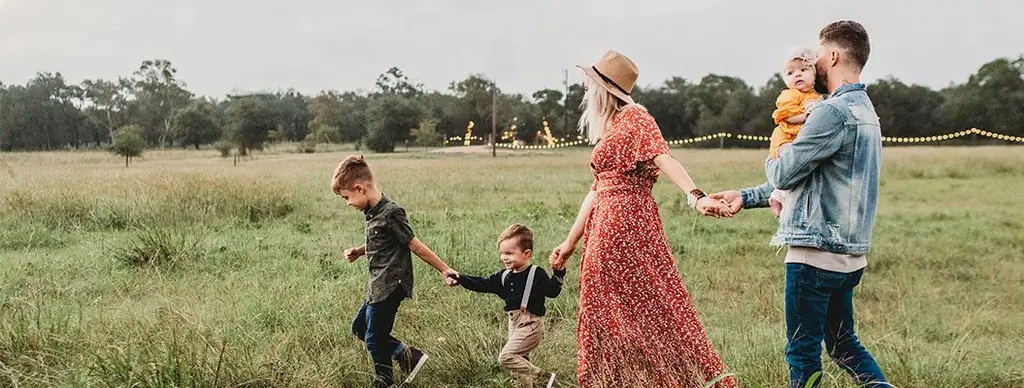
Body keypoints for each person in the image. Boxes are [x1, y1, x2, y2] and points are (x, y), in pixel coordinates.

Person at [709, 20, 888, 388]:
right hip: (850, 255)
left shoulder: (830, 112)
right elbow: (810, 178)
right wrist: (745, 197)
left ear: (834, 56)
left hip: (814, 255)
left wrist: (776, 148)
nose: (813, 63)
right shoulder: (867, 112)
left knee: (802, 353)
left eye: (818, 56)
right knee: (843, 346)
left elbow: (784, 175)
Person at [547, 50, 737, 388]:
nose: (585, 91)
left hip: (626, 221)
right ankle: (619, 380)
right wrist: (570, 242)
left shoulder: (636, 118)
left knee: (649, 306)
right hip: (604, 221)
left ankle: (661, 378)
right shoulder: (611, 125)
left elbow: (664, 159)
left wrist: (697, 197)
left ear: (604, 88)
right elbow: (596, 189)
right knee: (610, 309)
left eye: (590, 84)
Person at [331, 155, 459, 388]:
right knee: (359, 328)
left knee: (374, 338)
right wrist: (359, 251)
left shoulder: (391, 212)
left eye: (346, 197)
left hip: (391, 284)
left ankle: (384, 382)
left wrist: (444, 269)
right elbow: (381, 244)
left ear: (359, 188)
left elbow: (414, 245)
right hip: (377, 284)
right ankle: (408, 356)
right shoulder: (372, 212)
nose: (347, 203)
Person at [448, 223, 564, 388]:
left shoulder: (536, 273)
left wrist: (559, 273)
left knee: (507, 357)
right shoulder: (504, 276)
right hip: (514, 324)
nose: (504, 257)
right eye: (502, 253)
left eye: (509, 253)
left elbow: (552, 291)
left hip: (531, 324)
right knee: (520, 362)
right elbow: (482, 283)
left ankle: (543, 378)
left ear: (527, 254)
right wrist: (460, 278)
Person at [768, 47, 825, 218]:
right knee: (791, 160)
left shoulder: (817, 97)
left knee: (801, 166)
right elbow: (786, 115)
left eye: (803, 70)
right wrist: (805, 117)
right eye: (791, 73)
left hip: (800, 138)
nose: (797, 75)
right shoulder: (789, 95)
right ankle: (780, 196)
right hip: (786, 137)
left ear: (814, 75)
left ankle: (780, 196)